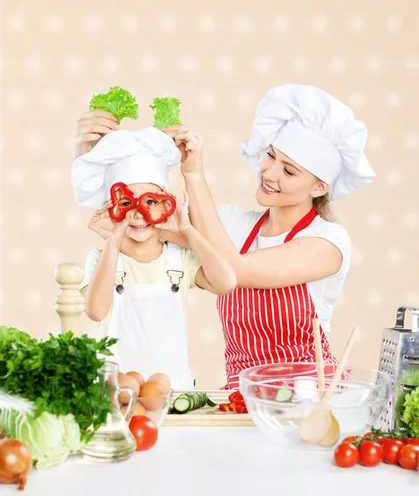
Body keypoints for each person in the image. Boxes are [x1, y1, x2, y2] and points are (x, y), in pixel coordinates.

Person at [161, 84, 376, 388]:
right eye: (270, 156)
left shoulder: (328, 242)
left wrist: (195, 176)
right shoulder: (234, 225)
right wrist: (100, 154)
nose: (269, 173)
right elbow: (143, 221)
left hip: (307, 401)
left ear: (319, 187)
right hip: (242, 397)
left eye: (289, 171)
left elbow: (232, 270)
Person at [71, 126, 236, 390]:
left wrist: (187, 230)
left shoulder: (178, 259)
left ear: (165, 204)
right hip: (113, 395)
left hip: (173, 391)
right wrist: (113, 241)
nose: (137, 214)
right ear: (111, 207)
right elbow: (96, 311)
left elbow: (226, 282)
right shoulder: (102, 258)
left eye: (149, 202)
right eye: (126, 204)